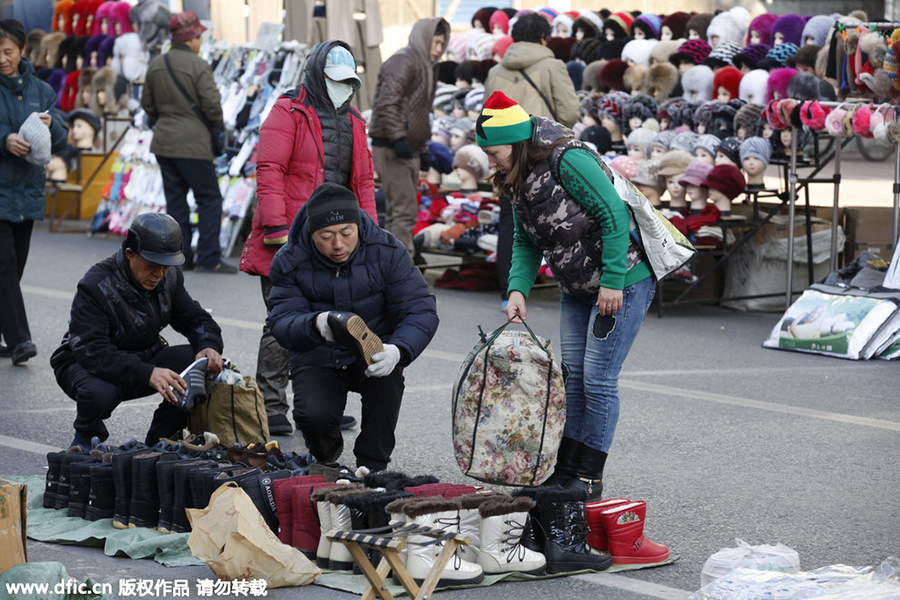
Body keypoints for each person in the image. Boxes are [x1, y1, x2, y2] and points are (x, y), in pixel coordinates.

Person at [476, 91, 655, 501]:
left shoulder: (567, 158)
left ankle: (589, 476)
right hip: (576, 285)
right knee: (571, 379)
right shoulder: (516, 175)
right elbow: (525, 238)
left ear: (517, 142)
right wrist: (516, 289)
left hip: (623, 278)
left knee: (598, 380)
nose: (490, 161)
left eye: (494, 151)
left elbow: (613, 212)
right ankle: (565, 471)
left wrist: (612, 280)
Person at [240, 40, 377, 436]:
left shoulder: (354, 121)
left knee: (329, 322)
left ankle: (317, 406)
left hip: (333, 237)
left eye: (348, 81)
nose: (343, 88)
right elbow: (269, 170)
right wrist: (278, 230)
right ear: (318, 74)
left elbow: (363, 181)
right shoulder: (288, 111)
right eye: (337, 80)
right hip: (290, 237)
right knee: (282, 322)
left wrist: (369, 233)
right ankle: (270, 404)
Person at [267, 183, 439, 472]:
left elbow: (419, 308)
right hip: (317, 353)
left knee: (388, 382)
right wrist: (315, 324)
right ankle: (326, 455)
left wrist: (398, 350)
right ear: (312, 233)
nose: (338, 244)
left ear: (358, 225)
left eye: (346, 233)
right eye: (326, 236)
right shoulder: (289, 259)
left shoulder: (386, 249)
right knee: (313, 418)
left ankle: (372, 466)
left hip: (373, 347)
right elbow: (282, 322)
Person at [51, 213, 225, 447]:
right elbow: (92, 351)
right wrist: (147, 372)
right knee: (99, 392)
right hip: (83, 363)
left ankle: (162, 441)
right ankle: (85, 437)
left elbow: (195, 318)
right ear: (130, 254)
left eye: (165, 267)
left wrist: (209, 345)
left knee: (193, 364)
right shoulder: (96, 284)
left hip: (140, 358)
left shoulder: (168, 276)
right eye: (153, 266)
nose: (159, 274)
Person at [482, 12, 580, 306]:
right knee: (560, 215)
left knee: (510, 221)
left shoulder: (495, 71)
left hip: (505, 157)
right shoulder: (552, 66)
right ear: (542, 38)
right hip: (543, 156)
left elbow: (487, 119)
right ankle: (571, 285)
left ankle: (508, 290)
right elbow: (570, 112)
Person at [141, 11, 235, 273]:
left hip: (164, 142)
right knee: (209, 199)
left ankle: (180, 257)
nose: (201, 40)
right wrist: (216, 128)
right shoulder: (198, 65)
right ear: (192, 37)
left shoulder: (157, 64)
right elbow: (212, 106)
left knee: (176, 201)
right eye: (199, 36)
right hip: (193, 144)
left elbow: (147, 104)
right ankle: (208, 257)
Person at [0, 18, 68, 365]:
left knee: (14, 270)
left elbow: (62, 137)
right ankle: (20, 341)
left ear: (22, 50)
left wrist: (52, 124)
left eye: (8, 51)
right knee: (5, 268)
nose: (2, 58)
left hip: (26, 192)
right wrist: (3, 140)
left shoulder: (41, 90)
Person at [368, 16, 450, 257]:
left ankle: (394, 266)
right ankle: (402, 269)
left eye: (441, 44)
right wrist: (398, 139)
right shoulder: (404, 61)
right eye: (434, 42)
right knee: (403, 211)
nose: (438, 49)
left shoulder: (427, 66)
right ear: (424, 39)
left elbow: (420, 113)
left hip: (408, 146)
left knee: (402, 210)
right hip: (393, 146)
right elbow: (387, 103)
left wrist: (422, 150)